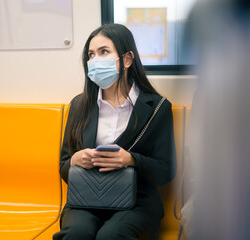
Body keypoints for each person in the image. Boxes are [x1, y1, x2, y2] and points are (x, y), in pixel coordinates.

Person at [53, 23, 176, 240]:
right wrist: (75, 160)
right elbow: (63, 167)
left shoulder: (158, 108)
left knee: (111, 236)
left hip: (138, 202)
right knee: (77, 234)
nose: (95, 60)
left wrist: (131, 160)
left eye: (104, 52)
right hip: (86, 199)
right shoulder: (79, 106)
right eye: (91, 55)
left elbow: (165, 171)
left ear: (127, 60)